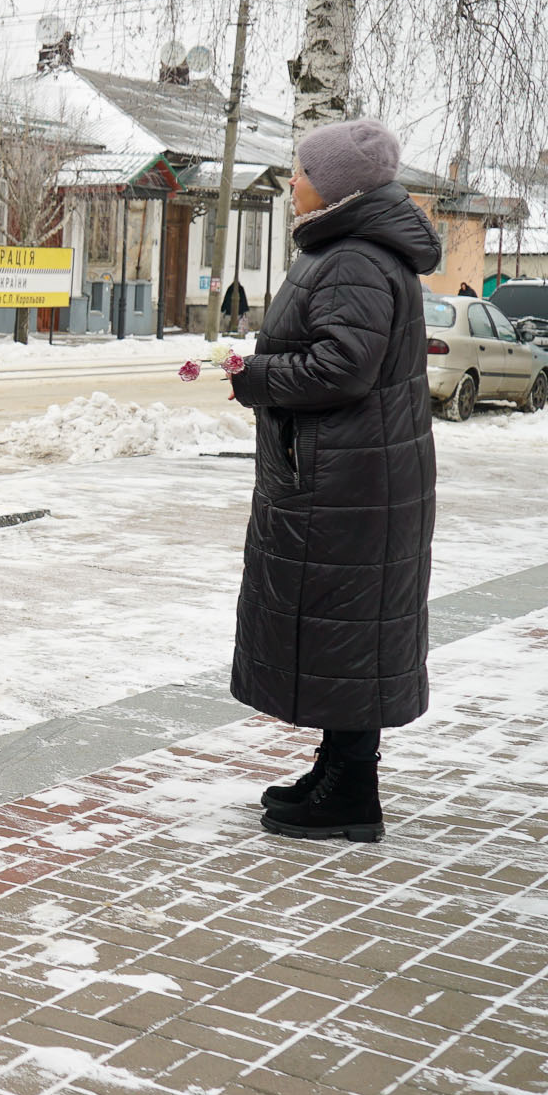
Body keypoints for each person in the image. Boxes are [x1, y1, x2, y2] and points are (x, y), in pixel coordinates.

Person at [231, 119, 439, 844]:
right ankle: (339, 768)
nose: (293, 181)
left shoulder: (352, 258)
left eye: (300, 171)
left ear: (338, 187)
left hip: (348, 480)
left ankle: (352, 790)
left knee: (348, 628)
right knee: (346, 629)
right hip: (353, 474)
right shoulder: (357, 251)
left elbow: (340, 369)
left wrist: (252, 377)